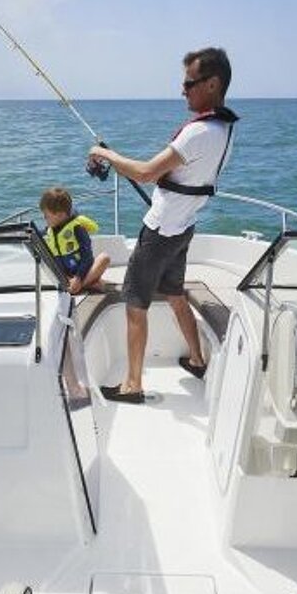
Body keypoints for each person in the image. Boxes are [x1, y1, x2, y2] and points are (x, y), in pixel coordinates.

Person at [87, 47, 238, 404]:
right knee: (174, 294)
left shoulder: (197, 133)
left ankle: (132, 385)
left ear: (212, 84)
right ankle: (197, 359)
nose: (182, 90)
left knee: (134, 305)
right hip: (183, 227)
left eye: (189, 83)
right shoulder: (224, 129)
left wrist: (103, 152)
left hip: (159, 232)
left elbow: (145, 172)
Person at [39, 187, 111, 296]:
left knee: (105, 258)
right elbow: (40, 234)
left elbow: (87, 256)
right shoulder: (52, 228)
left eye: (46, 216)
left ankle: (79, 286)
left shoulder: (77, 228)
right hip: (64, 274)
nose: (44, 218)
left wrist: (78, 277)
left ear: (60, 215)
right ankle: (89, 284)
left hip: (82, 272)